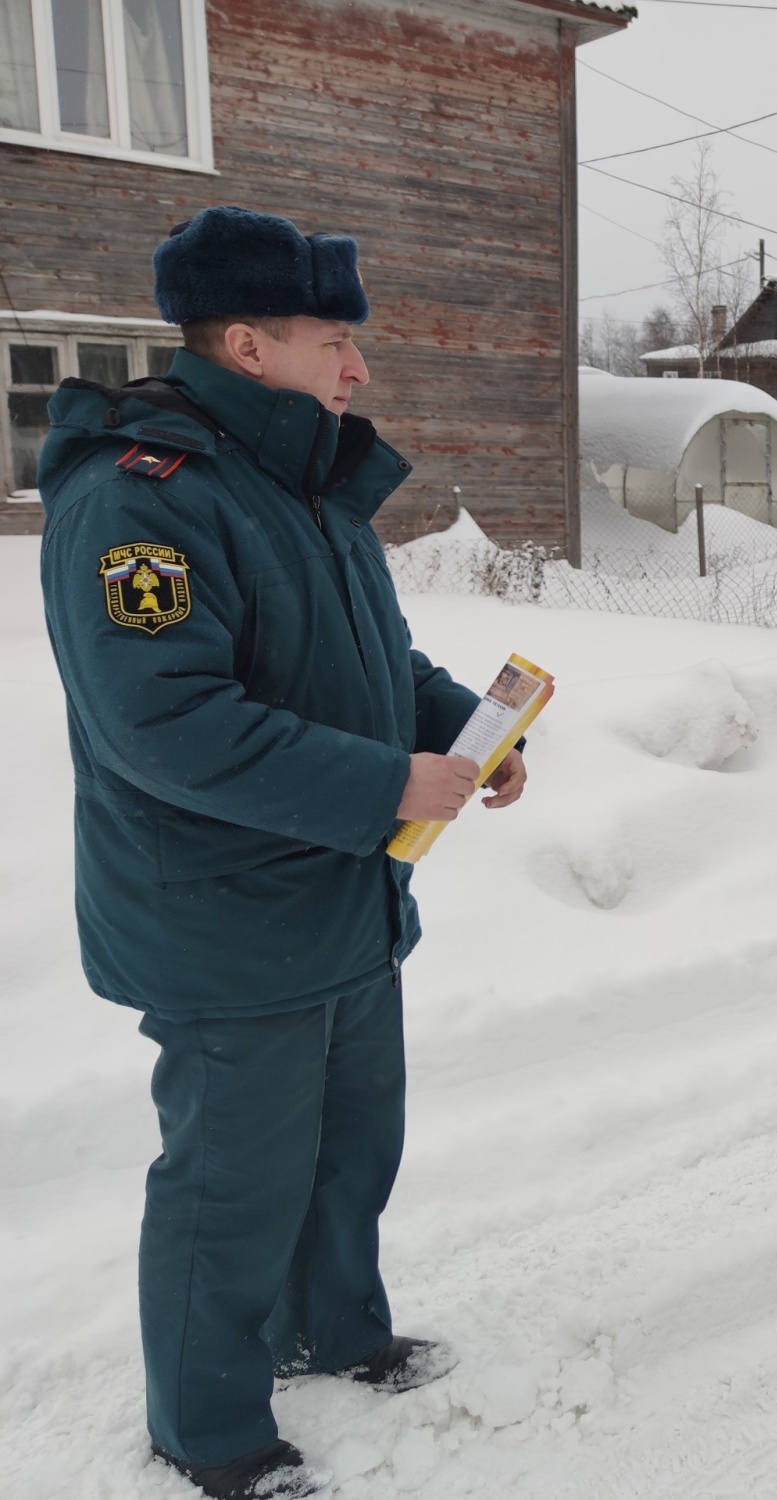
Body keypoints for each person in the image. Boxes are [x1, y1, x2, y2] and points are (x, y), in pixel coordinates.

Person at [36, 206, 530, 1500]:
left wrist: (464, 731)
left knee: (350, 1149)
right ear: (248, 344)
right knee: (232, 1185)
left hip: (342, 895)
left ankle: (338, 1334)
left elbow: (375, 662)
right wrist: (389, 786)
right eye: (334, 341)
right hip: (222, 919)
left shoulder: (300, 483)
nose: (357, 368)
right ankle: (209, 1431)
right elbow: (167, 727)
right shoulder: (141, 496)